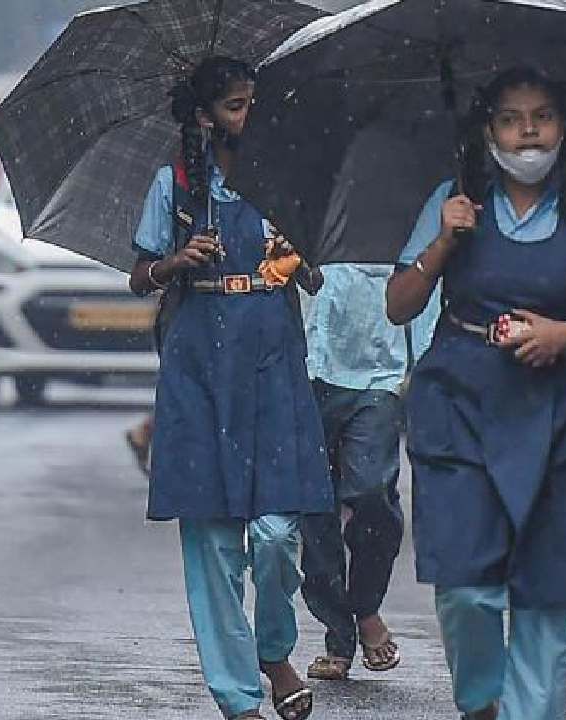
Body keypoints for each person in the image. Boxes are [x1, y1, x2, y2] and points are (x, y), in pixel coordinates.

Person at [385, 66, 566, 720]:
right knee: (466, 590)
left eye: (541, 115)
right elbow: (399, 305)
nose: (527, 131)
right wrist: (445, 242)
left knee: (544, 592)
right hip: (462, 401)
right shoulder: (453, 201)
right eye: (510, 118)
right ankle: (480, 703)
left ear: (564, 126)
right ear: (488, 131)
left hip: (564, 409)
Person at [127, 56, 332, 720]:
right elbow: (139, 275)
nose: (248, 117)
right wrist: (173, 262)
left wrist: (297, 257)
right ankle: (239, 695)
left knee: (277, 532)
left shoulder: (287, 176)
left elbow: (318, 277)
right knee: (212, 542)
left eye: (253, 104)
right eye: (235, 106)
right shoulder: (174, 183)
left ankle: (273, 649)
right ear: (204, 116)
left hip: (272, 357)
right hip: (198, 364)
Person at [297, 262, 438, 680]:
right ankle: (338, 634)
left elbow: (428, 275)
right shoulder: (307, 208)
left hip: (379, 372)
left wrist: (426, 360)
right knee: (315, 507)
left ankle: (365, 605)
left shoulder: (401, 208)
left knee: (372, 492)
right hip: (309, 367)